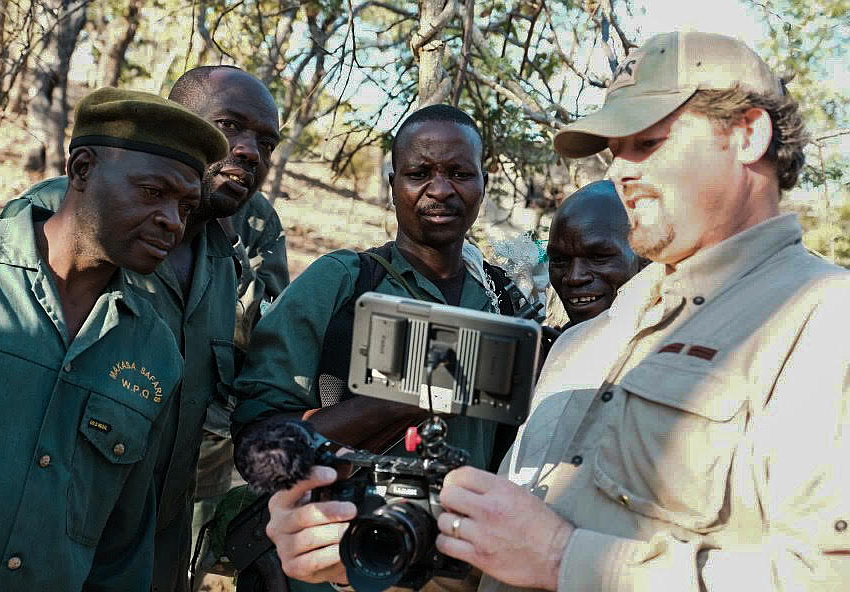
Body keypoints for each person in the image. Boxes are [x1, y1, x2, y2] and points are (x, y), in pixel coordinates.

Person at [262, 31, 850, 592]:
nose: (620, 170)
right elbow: (503, 559)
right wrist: (363, 553)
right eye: (615, 151)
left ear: (748, 134)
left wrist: (561, 557)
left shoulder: (823, 324)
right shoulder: (587, 341)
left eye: (648, 143)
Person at [0, 65, 283, 592]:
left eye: (266, 142)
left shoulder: (229, 261)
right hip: (38, 543)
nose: (249, 152)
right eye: (229, 126)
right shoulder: (70, 224)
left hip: (155, 544)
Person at [232, 104, 526, 591]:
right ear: (392, 185)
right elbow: (259, 455)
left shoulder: (502, 303)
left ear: (482, 185)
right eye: (419, 173)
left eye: (459, 173)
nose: (440, 189)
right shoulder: (342, 284)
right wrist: (410, 394)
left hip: (458, 568)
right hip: (333, 568)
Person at [0, 87, 228, 590]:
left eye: (185, 206)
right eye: (153, 193)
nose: (172, 221)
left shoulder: (153, 353)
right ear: (82, 169)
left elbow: (121, 548)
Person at [546, 180, 643, 330]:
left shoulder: (675, 342)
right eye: (559, 260)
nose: (574, 277)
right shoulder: (561, 344)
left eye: (598, 257)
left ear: (646, 259)